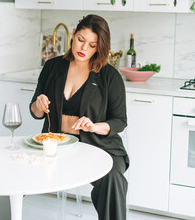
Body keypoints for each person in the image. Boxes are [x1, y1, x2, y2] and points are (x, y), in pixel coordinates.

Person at [30, 14, 129, 220]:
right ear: (73, 35)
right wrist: (38, 104)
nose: (84, 48)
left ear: (99, 47)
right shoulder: (52, 67)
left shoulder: (109, 76)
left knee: (112, 178)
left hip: (99, 145)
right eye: (81, 40)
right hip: (55, 145)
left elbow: (119, 121)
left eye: (92, 45)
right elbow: (35, 112)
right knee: (10, 168)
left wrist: (94, 126)